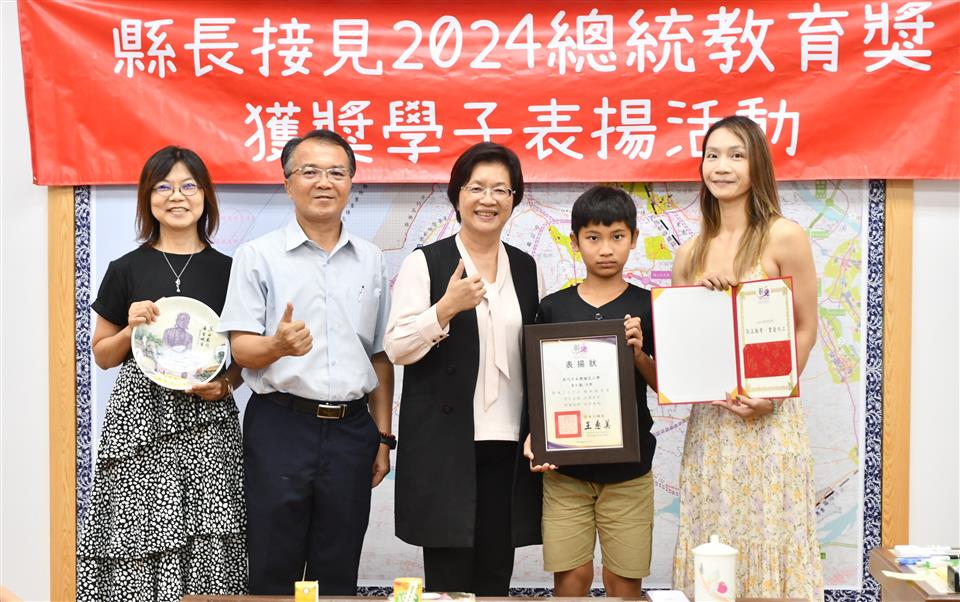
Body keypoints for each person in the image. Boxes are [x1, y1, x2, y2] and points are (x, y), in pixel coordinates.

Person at [219, 129, 394, 595]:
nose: (324, 182)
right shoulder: (257, 256)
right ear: (288, 183)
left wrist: (383, 438)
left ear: (351, 181)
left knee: (338, 568)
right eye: (310, 171)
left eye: (337, 172)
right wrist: (277, 346)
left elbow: (379, 355)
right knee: (273, 563)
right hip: (281, 425)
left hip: (352, 431)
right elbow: (241, 349)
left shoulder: (371, 259)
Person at [77, 146, 246, 602]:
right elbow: (103, 355)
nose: (177, 196)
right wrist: (130, 328)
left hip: (207, 419)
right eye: (163, 186)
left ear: (205, 196)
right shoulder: (125, 269)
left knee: (212, 528)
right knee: (137, 530)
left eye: (189, 185)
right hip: (139, 418)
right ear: (148, 198)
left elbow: (241, 358)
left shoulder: (231, 272)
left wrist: (226, 385)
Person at [670, 115, 822, 601]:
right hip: (713, 428)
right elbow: (683, 344)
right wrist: (699, 299)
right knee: (713, 550)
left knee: (770, 539)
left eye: (736, 155)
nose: (722, 166)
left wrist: (772, 398)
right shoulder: (689, 253)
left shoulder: (784, 235)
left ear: (757, 165)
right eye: (712, 155)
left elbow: (805, 326)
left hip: (769, 425)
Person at [385, 142, 542, 595]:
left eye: (500, 189)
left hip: (508, 443)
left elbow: (536, 354)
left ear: (514, 199)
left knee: (495, 575)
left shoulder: (526, 267)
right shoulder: (425, 262)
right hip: (446, 444)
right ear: (457, 195)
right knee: (448, 580)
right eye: (476, 188)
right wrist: (445, 309)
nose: (488, 199)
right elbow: (396, 347)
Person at [524, 185, 658, 597]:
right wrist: (535, 436)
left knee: (623, 583)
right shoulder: (553, 307)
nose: (605, 249)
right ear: (575, 240)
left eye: (617, 236)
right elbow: (537, 384)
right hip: (566, 471)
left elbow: (664, 384)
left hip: (630, 472)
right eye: (593, 237)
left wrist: (638, 354)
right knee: (571, 579)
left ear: (634, 239)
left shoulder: (650, 305)